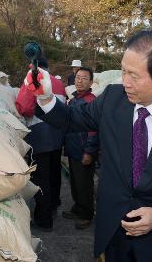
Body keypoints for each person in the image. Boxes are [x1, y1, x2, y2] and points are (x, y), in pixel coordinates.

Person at [31, 30, 152, 261]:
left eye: (134, 76)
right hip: (113, 232)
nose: (125, 82)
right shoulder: (112, 99)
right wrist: (46, 98)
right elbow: (71, 118)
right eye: (123, 71)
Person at [15, 58, 66, 232]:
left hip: (39, 135)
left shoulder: (33, 80)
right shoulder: (58, 82)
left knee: (40, 178)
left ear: (34, 68)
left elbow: (25, 107)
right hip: (57, 135)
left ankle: (43, 219)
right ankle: (53, 207)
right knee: (54, 174)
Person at [62, 67, 99, 230]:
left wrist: (89, 151)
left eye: (84, 78)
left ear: (91, 82)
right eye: (78, 78)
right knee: (75, 181)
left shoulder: (91, 101)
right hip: (73, 145)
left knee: (85, 183)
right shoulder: (73, 99)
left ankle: (87, 214)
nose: (80, 81)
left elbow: (95, 129)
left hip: (84, 148)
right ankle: (78, 207)